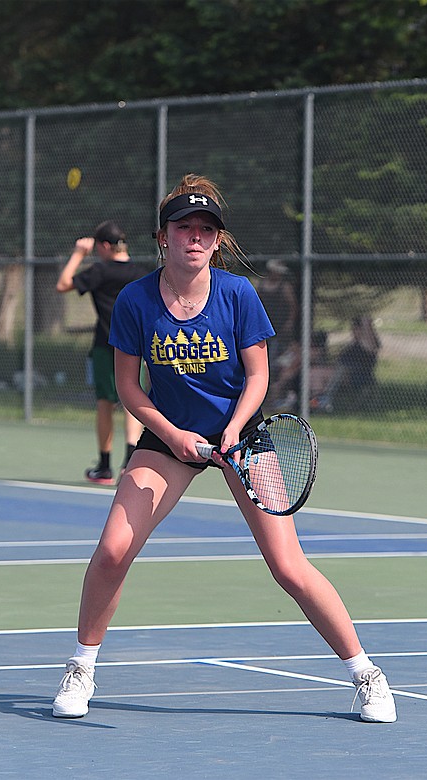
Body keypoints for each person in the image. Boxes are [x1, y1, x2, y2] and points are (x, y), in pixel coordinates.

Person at [51, 174, 397, 724]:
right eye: (184, 227)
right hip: (168, 441)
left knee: (288, 566)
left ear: (218, 240)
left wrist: (234, 427)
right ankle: (81, 666)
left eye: (205, 230)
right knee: (115, 548)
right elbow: (129, 388)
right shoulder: (137, 300)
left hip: (243, 439)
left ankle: (367, 675)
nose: (195, 237)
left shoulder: (237, 294)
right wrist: (173, 436)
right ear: (162, 236)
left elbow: (257, 375)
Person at [56, 221, 151, 485]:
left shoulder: (99, 270)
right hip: (136, 346)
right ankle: (130, 462)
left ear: (105, 246)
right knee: (134, 402)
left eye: (98, 248)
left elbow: (63, 284)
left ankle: (105, 467)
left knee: (105, 403)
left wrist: (78, 254)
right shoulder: (142, 274)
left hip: (105, 345)